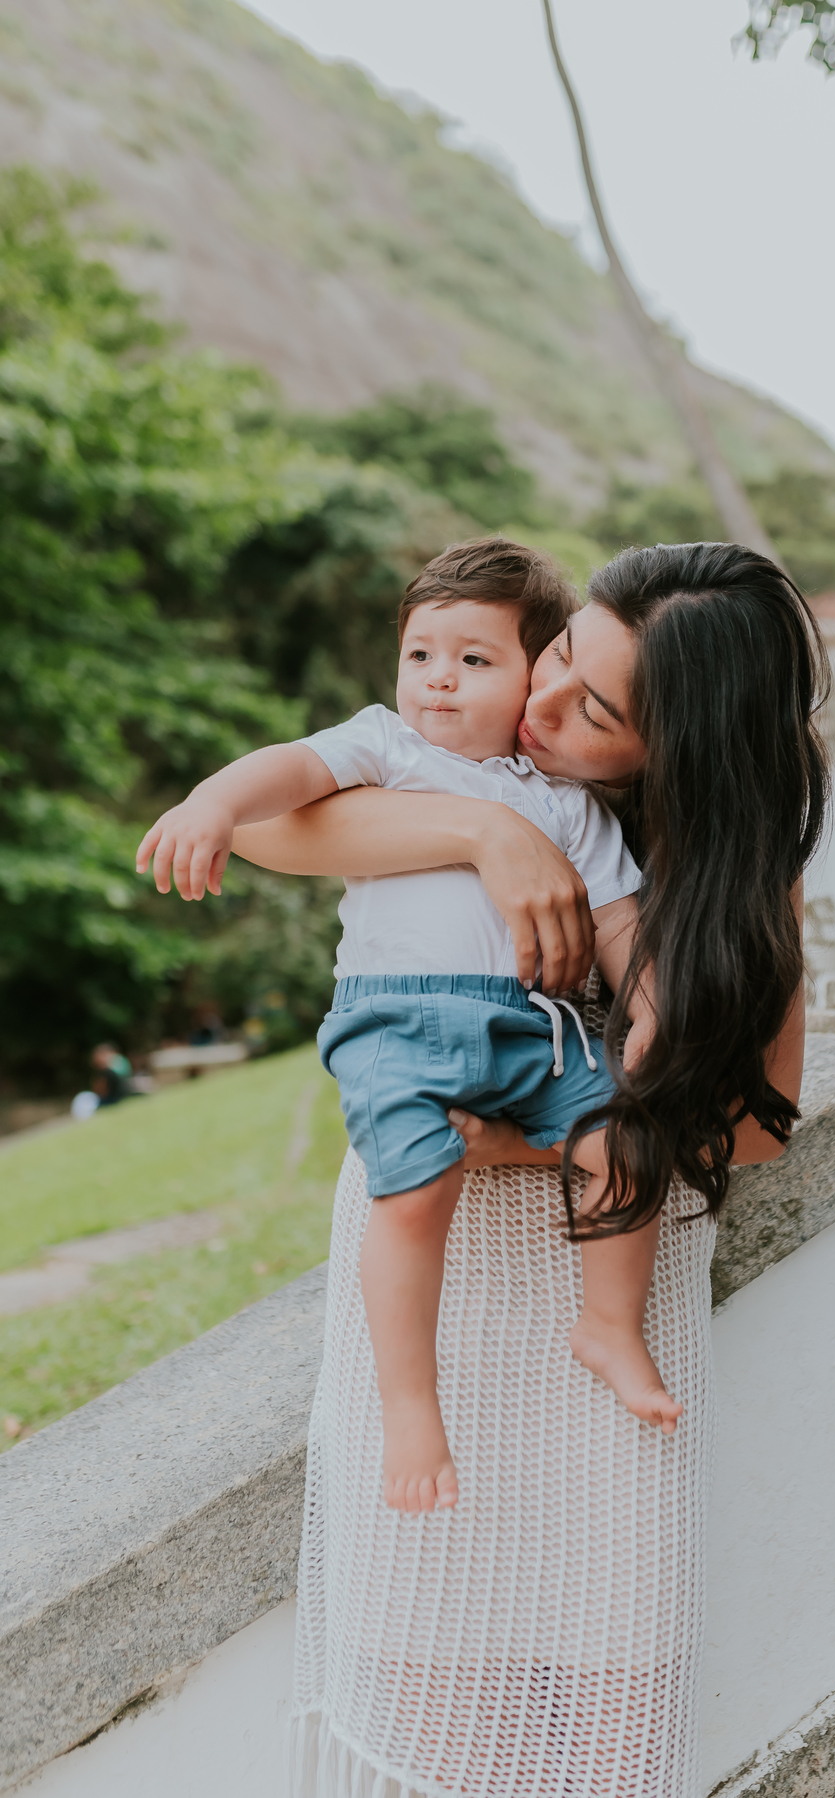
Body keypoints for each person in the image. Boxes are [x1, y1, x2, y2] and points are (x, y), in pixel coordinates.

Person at [233, 542, 830, 1798]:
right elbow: (281, 827)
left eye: (596, 709)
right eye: (561, 657)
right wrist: (488, 827)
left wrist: (541, 1131)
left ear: (682, 748)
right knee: (432, 1696)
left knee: (614, 1716)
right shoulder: (477, 759)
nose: (543, 706)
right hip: (425, 1295)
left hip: (604, 1305)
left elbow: (762, 1126)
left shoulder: (725, 883)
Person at [136, 540, 680, 1519]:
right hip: (395, 1020)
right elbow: (290, 770)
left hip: (537, 1030)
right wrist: (213, 802)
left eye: (475, 659)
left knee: (629, 1138)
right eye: (422, 652)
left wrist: (649, 1012)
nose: (439, 677)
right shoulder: (388, 747)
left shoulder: (570, 806)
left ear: (533, 674)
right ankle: (410, 1404)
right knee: (415, 1188)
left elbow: (618, 925)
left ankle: (608, 1322)